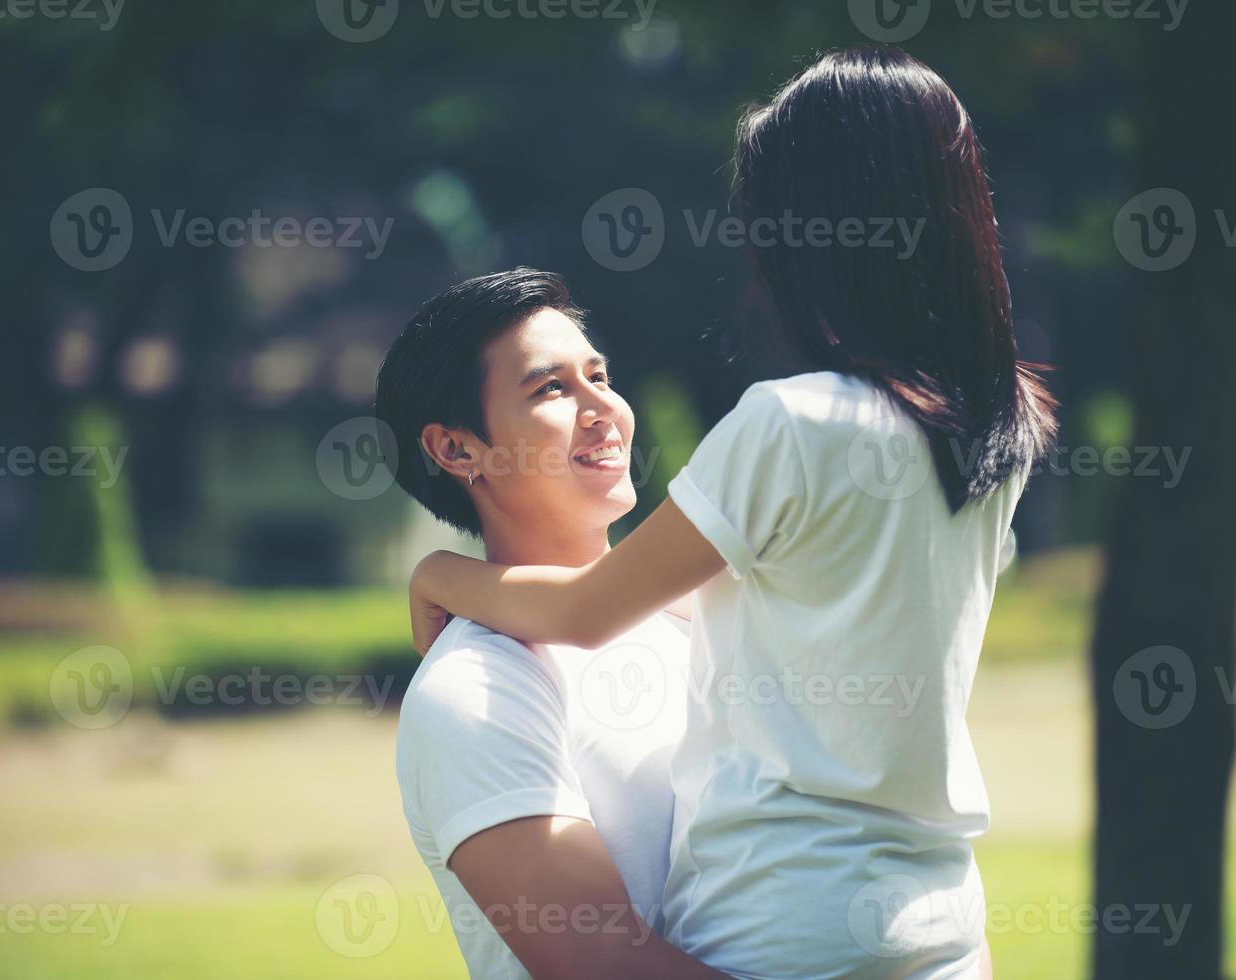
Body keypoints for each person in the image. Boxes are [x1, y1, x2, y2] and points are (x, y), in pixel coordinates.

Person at [407, 47, 1054, 978]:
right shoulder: (999, 425)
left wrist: (439, 575)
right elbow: (760, 611)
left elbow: (589, 613)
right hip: (941, 927)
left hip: (783, 929)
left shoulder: (790, 423)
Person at [378, 268, 726, 978]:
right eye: (552, 389)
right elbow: (607, 966)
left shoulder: (703, 617)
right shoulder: (475, 691)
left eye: (600, 377)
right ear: (456, 450)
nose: (604, 409)